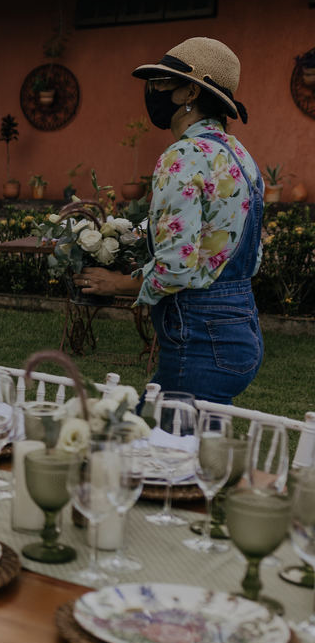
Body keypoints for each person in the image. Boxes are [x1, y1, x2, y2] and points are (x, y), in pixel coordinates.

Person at [77, 37, 263, 405]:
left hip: (199, 335)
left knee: (165, 452)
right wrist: (137, 233)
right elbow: (226, 240)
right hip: (240, 327)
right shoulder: (240, 154)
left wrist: (115, 282)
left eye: (163, 82)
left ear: (190, 92)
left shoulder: (185, 155)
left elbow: (177, 268)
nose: (153, 90)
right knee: (189, 446)